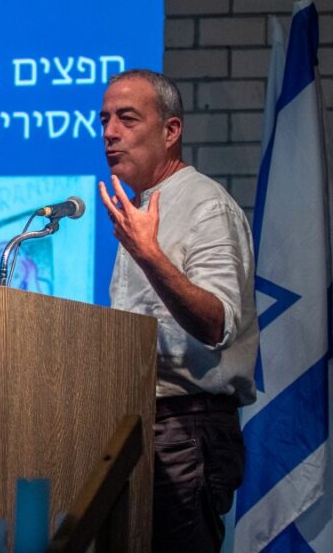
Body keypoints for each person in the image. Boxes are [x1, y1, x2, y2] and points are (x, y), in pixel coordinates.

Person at [97, 69, 258, 552]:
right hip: (142, 428)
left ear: (171, 131)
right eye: (104, 120)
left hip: (187, 433)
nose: (110, 132)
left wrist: (149, 255)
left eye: (127, 118)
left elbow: (217, 323)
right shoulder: (142, 208)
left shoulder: (206, 206)